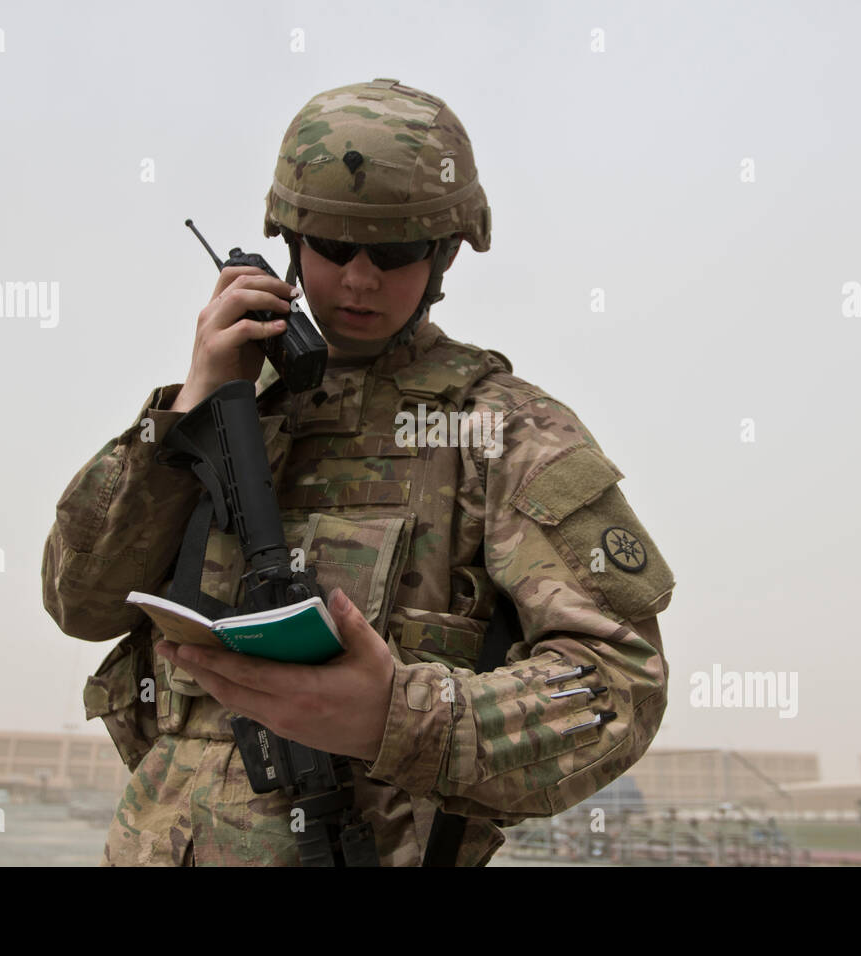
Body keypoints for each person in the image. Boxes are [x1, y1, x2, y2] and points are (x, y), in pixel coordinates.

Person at [41, 78, 675, 866]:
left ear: (443, 254)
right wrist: (192, 409)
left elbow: (620, 685)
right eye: (335, 248)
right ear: (291, 243)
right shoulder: (224, 413)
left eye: (397, 252)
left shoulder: (502, 429)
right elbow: (80, 599)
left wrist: (397, 716)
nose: (361, 280)